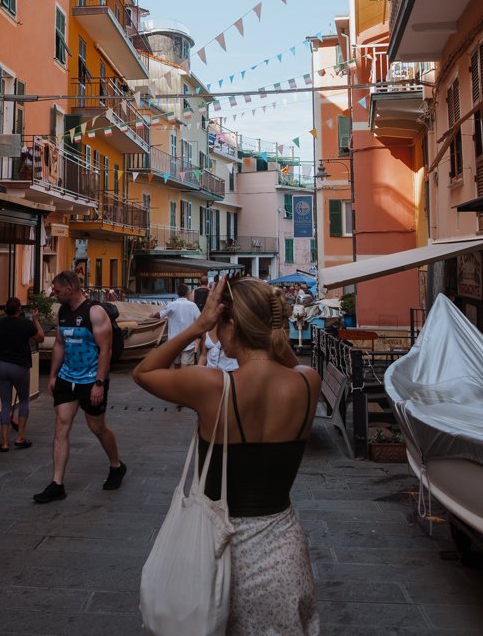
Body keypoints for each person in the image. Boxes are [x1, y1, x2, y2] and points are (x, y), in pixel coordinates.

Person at [134, 277, 321, 635]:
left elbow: (144, 373)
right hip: (284, 548)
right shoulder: (306, 383)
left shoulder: (212, 385)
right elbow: (290, 361)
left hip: (219, 549)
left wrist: (198, 326)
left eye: (220, 324)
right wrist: (269, 328)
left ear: (230, 325)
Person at [33, 270, 126, 504]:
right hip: (67, 378)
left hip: (90, 380)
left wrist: (99, 384)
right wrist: (53, 376)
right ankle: (57, 483)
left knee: (98, 428)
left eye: (56, 289)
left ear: (70, 288)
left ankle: (116, 465)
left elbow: (106, 350)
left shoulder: (94, 312)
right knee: (61, 427)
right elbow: (60, 345)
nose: (53, 292)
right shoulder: (63, 312)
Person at [0, 296, 44, 452]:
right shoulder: (25, 324)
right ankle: (20, 437)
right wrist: (35, 320)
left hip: (1, 366)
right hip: (20, 366)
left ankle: (5, 442)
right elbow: (40, 338)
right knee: (24, 400)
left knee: (5, 404)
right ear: (19, 309)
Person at [151, 283, 200, 367]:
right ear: (187, 293)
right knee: (185, 367)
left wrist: (152, 315)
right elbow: (200, 320)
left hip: (174, 341)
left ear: (177, 293)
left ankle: (177, 379)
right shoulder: (193, 306)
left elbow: (160, 315)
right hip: (188, 342)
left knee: (177, 365)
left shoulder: (172, 305)